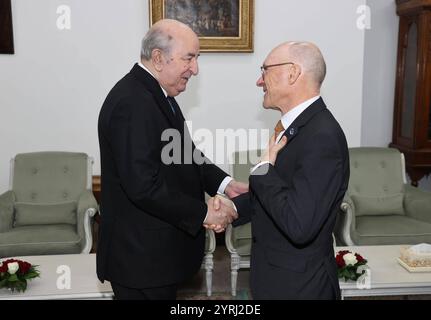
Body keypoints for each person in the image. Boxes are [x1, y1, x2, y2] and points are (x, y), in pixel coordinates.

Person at [96, 19, 247, 300]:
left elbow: (185, 153)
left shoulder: (157, 95)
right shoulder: (132, 103)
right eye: (189, 58)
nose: (195, 69)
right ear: (157, 59)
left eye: (197, 58)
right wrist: (204, 213)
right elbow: (142, 186)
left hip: (154, 258)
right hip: (140, 261)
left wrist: (225, 185)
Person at [221, 41, 350, 299]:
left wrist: (263, 170)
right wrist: (234, 208)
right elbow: (286, 195)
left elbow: (299, 224)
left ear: (292, 73)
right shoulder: (295, 127)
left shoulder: (321, 136)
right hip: (278, 279)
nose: (260, 81)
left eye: (265, 69)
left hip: (300, 288)